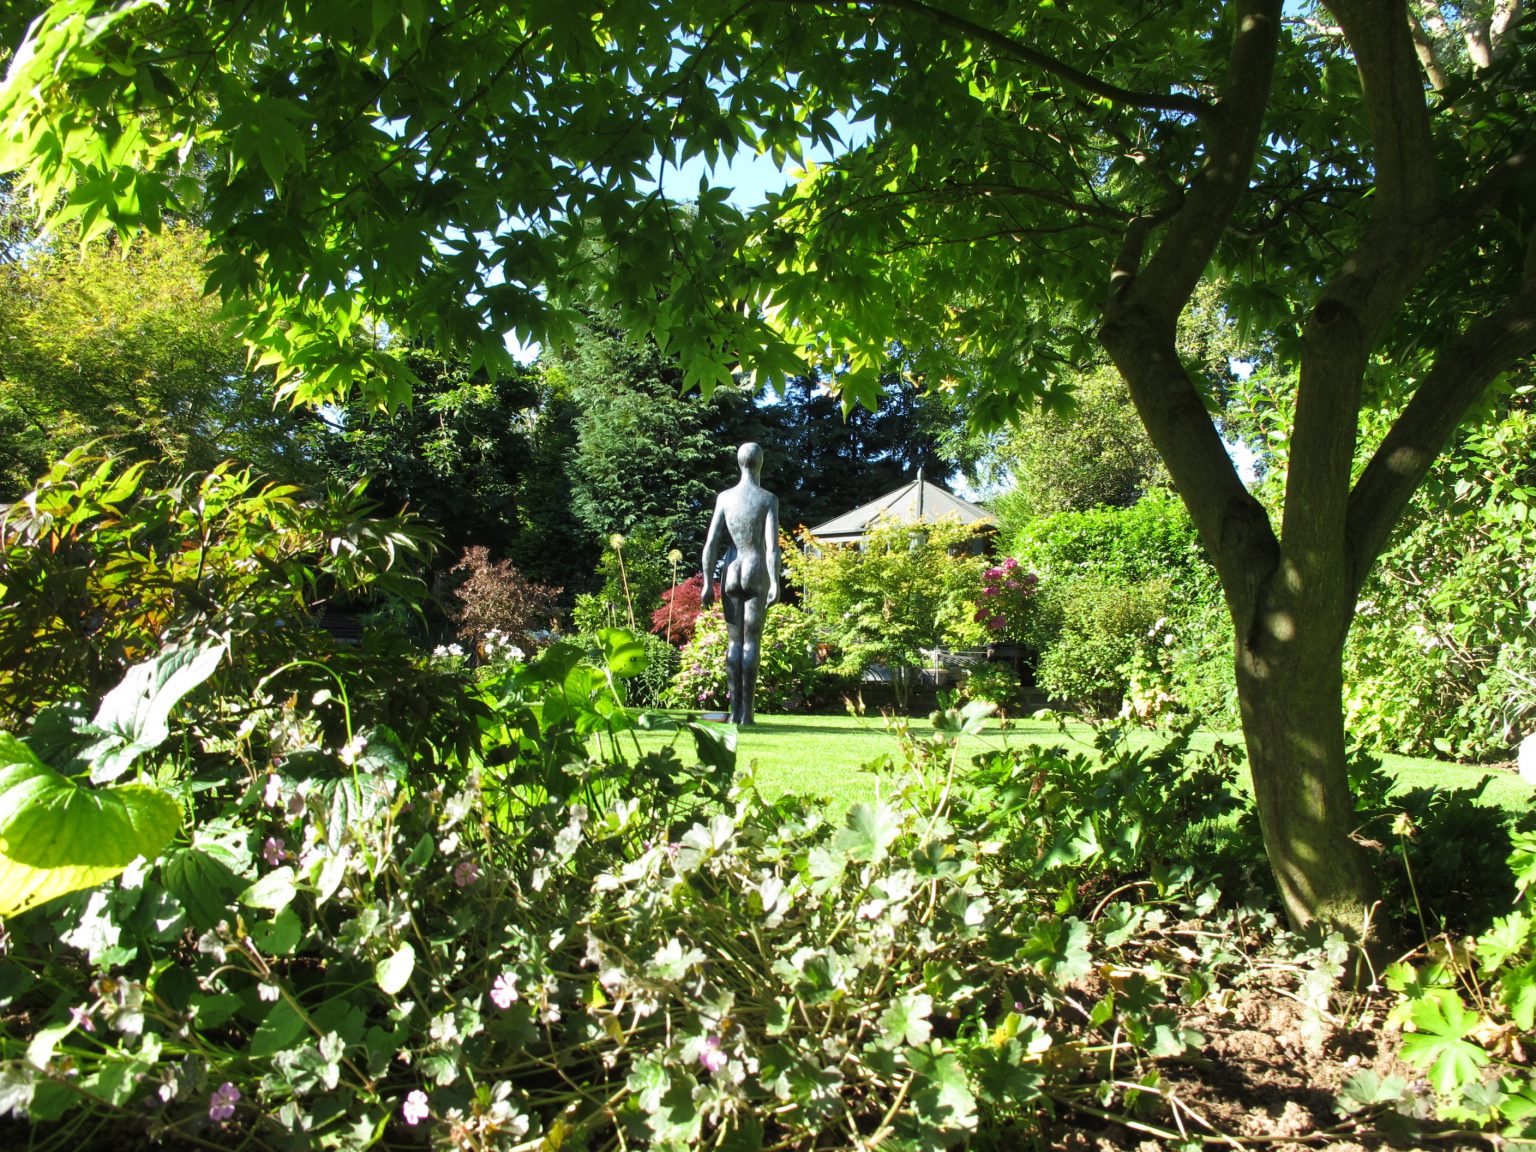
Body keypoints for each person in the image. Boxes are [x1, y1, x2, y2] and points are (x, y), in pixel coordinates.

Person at [700, 442, 780, 725]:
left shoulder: (724, 498)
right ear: (760, 463)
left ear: (739, 463)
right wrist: (775, 583)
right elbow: (772, 547)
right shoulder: (768, 499)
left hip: (731, 569)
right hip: (756, 568)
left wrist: (707, 583)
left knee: (734, 642)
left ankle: (734, 713)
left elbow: (711, 543)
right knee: (751, 643)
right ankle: (747, 714)